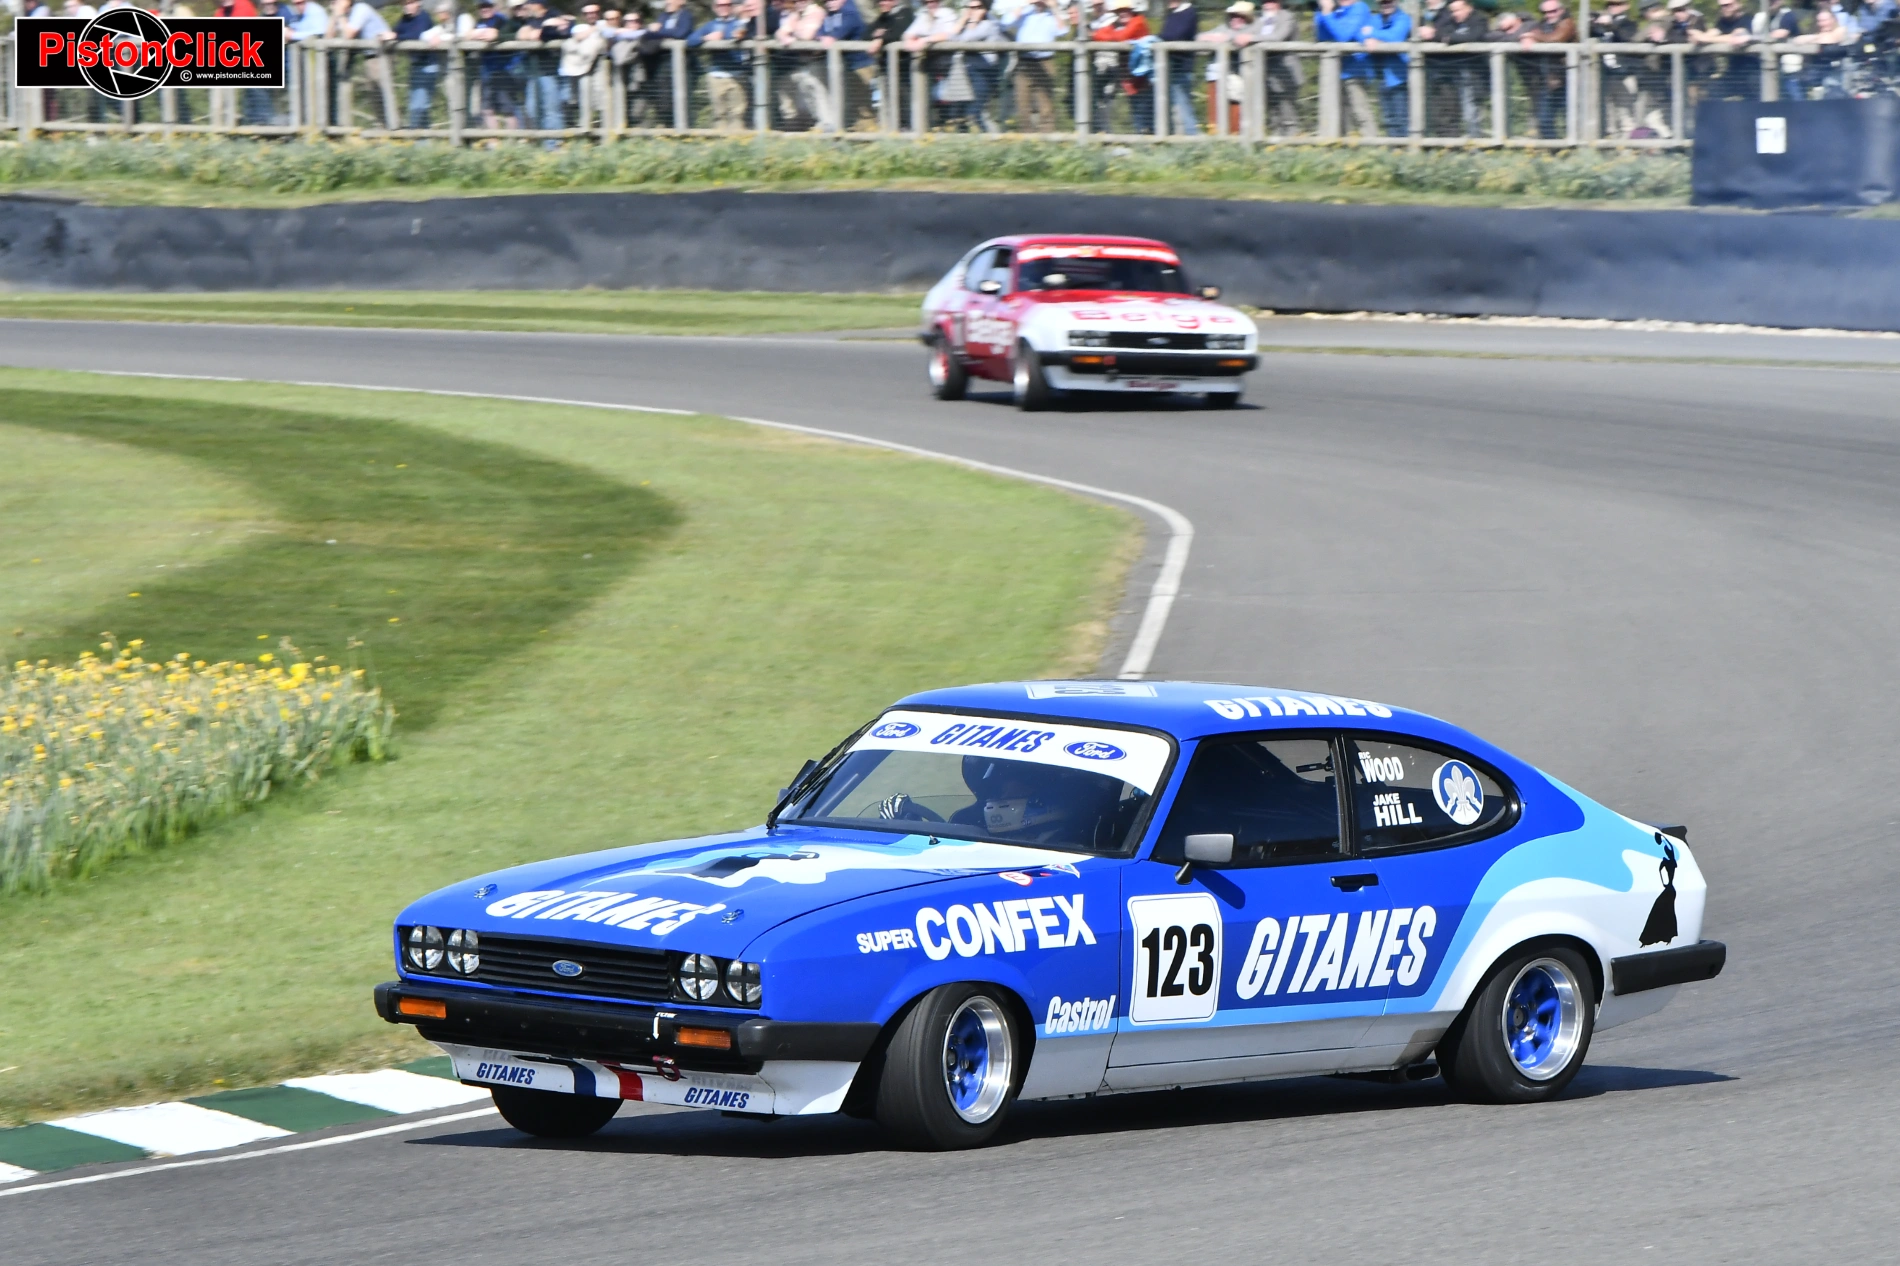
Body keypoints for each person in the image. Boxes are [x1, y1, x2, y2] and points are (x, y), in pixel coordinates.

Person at [1422, 0, 1488, 137]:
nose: (1454, 14)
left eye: (1458, 10)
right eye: (1452, 11)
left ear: (1468, 8)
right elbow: (1439, 34)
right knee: (1453, 111)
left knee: (1470, 114)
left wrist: (1449, 38)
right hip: (1455, 74)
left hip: (1474, 74)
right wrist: (1446, 36)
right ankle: (1459, 143)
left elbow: (1474, 36)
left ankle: (1476, 146)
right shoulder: (1452, 22)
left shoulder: (1479, 19)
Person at [1315, 0, 1379, 137]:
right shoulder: (1337, 11)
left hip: (1356, 70)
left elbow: (1343, 36)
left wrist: (1327, 14)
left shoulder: (1359, 8)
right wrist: (1321, 12)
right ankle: (1342, 149)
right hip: (1335, 71)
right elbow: (1322, 37)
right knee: (1339, 114)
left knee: (1360, 111)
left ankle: (1373, 145)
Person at [1516, 0, 1576, 140]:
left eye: (1553, 11)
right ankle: (1554, 151)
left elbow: (1557, 39)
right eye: (1545, 12)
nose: (1549, 15)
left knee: (1571, 120)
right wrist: (1527, 38)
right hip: (1548, 80)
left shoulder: (1567, 23)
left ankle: (1575, 151)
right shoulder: (1541, 25)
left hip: (1567, 79)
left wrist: (1534, 37)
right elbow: (1528, 34)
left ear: (1560, 10)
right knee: (1544, 121)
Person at [690, 0, 754, 129]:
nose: (724, 8)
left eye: (727, 5)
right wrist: (706, 38)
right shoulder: (710, 25)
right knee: (719, 115)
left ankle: (737, 145)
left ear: (731, 7)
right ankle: (720, 146)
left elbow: (744, 33)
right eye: (720, 5)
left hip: (736, 76)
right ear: (715, 8)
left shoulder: (738, 23)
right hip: (716, 76)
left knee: (737, 114)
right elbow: (690, 40)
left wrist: (739, 36)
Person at [1005, 0, 1068, 132]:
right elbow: (1006, 23)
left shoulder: (1052, 15)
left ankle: (1047, 138)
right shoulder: (1024, 13)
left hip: (1045, 62)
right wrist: (1024, 4)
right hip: (1024, 61)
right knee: (1022, 103)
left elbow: (1063, 31)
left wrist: (1054, 8)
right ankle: (1027, 138)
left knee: (1046, 104)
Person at [1090, 0, 1149, 134]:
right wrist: (1112, 36)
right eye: (1119, 11)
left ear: (1132, 10)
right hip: (1129, 76)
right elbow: (1098, 34)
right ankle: (1142, 141)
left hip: (1144, 76)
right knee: (1136, 111)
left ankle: (1149, 143)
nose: (1122, 13)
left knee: (1144, 111)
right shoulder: (1117, 25)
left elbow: (1123, 36)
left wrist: (1111, 36)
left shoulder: (1138, 21)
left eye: (1125, 10)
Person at [817, 0, 877, 129]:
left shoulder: (850, 11)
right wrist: (823, 37)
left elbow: (840, 32)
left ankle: (870, 132)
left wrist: (830, 37)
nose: (829, 3)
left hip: (862, 63)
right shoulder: (830, 14)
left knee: (863, 101)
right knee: (851, 101)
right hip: (847, 65)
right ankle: (856, 131)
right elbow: (820, 32)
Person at [903, 0, 963, 127]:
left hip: (950, 65)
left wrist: (925, 40)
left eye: (934, 1)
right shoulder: (923, 14)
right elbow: (908, 33)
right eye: (927, 2)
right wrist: (910, 40)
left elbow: (949, 34)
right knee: (928, 99)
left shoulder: (947, 13)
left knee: (948, 101)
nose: (931, 4)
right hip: (930, 66)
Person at [1360, 0, 1412, 138]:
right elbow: (1361, 34)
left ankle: (1406, 152)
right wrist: (1369, 38)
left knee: (1402, 119)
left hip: (1399, 78)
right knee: (1388, 119)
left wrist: (1373, 35)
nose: (1386, 4)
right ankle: (1393, 151)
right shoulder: (1375, 19)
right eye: (1383, 3)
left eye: (1388, 2)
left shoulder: (1403, 18)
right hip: (1381, 77)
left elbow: (1396, 37)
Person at [1590, 0, 1639, 138]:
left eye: (1617, 4)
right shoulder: (1600, 26)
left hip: (1624, 74)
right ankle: (1612, 150)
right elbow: (1587, 35)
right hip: (1605, 75)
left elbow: (1627, 38)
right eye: (1610, 4)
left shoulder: (1630, 24)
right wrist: (1593, 22)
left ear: (1626, 6)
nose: (1612, 7)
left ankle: (1628, 150)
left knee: (1626, 114)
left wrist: (1612, 26)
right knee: (1608, 116)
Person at [1690, 0, 1756, 100]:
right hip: (1733, 72)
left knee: (1756, 100)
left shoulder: (1748, 19)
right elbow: (1710, 34)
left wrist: (1707, 39)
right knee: (1713, 90)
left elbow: (1736, 37)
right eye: (1722, 6)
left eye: (1727, 5)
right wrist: (1698, 36)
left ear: (1738, 4)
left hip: (1752, 72)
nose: (1724, 8)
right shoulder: (1723, 21)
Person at [393, 0, 441, 130]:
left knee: (418, 106)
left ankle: (413, 137)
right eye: (405, 4)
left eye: (410, 3)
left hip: (428, 65)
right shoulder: (404, 19)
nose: (406, 6)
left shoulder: (424, 17)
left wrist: (397, 36)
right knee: (420, 106)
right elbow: (395, 31)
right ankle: (424, 143)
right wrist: (394, 35)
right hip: (415, 65)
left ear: (418, 3)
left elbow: (417, 35)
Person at [867, 0, 916, 125]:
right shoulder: (884, 17)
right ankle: (893, 131)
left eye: (885, 1)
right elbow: (866, 34)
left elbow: (898, 33)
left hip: (904, 69)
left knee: (906, 102)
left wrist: (881, 38)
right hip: (886, 68)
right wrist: (880, 36)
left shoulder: (905, 12)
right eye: (879, 2)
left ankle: (910, 131)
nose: (881, 3)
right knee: (889, 102)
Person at [1158, 0, 1200, 134]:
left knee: (1183, 105)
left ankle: (1193, 137)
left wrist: (1158, 38)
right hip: (1169, 66)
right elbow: (1166, 34)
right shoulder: (1171, 13)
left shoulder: (1189, 12)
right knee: (1171, 107)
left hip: (1181, 66)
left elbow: (1176, 35)